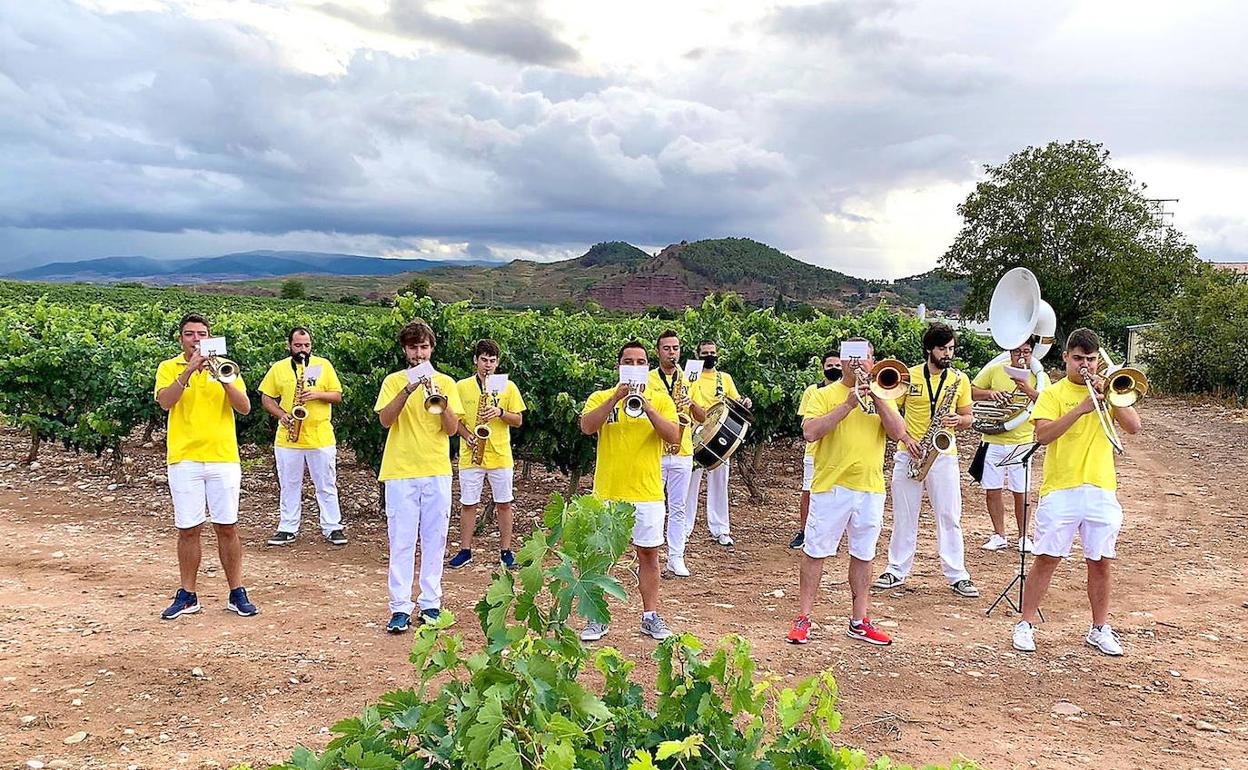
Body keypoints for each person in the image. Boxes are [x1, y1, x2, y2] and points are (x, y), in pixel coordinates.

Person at [1011, 329, 1141, 656]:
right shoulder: (1052, 394)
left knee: (1101, 561)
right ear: (1066, 358)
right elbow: (1043, 435)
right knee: (1047, 558)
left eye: (1092, 359)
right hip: (1061, 488)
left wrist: (1109, 394)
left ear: (1099, 360)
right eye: (1079, 359)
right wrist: (1080, 409)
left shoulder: (1107, 391)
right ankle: (1025, 624)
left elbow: (1134, 426)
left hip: (1100, 487)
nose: (1086, 365)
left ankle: (1099, 629)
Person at [788, 339, 908, 645]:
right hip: (831, 487)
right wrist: (849, 404)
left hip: (870, 488)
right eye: (852, 359)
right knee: (815, 552)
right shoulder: (823, 394)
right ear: (841, 362)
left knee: (864, 554)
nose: (858, 365)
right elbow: (810, 432)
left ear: (873, 361)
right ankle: (803, 617)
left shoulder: (885, 394)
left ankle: (859, 620)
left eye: (865, 359)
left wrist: (878, 398)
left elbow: (898, 433)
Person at [153, 312, 257, 620]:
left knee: (227, 526)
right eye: (189, 334)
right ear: (180, 338)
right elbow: (165, 402)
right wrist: (188, 372)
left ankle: (237, 592)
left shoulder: (226, 368)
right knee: (188, 529)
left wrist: (223, 379)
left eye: (201, 334)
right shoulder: (167, 367)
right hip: (184, 458)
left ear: (209, 337)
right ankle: (188, 595)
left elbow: (245, 407)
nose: (196, 339)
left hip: (223, 457)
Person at [579, 340, 682, 642]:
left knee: (648, 555)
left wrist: (646, 405)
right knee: (599, 557)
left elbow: (674, 436)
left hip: (647, 492)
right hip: (608, 493)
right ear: (619, 366)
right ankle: (597, 616)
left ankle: (650, 615)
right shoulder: (600, 396)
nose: (634, 367)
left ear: (647, 367)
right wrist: (616, 397)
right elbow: (586, 427)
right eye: (629, 361)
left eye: (640, 362)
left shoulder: (661, 399)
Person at [873, 322, 980, 598]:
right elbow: (892, 412)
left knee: (949, 515)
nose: (948, 354)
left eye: (951, 349)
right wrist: (907, 440)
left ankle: (958, 574)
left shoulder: (960, 379)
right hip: (909, 452)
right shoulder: (907, 376)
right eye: (943, 349)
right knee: (904, 516)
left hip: (944, 456)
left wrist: (960, 420)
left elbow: (969, 417)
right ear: (929, 349)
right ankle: (896, 569)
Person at [374, 320, 464, 633]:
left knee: (435, 539)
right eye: (413, 347)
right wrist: (409, 388)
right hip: (400, 471)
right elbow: (385, 420)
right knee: (401, 541)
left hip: (436, 469)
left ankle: (431, 604)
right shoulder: (392, 381)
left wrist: (438, 395)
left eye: (424, 346)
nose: (419, 352)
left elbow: (452, 429)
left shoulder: (447, 383)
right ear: (405, 350)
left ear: (432, 348)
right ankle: (399, 608)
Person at [259, 327, 347, 547]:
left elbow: (337, 395)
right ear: (289, 345)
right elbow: (266, 398)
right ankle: (287, 527)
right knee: (289, 484)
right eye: (298, 345)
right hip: (288, 437)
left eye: (306, 345)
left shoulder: (323, 365)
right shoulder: (278, 368)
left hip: (320, 436)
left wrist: (317, 394)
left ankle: (332, 526)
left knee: (326, 484)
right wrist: (282, 415)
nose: (303, 350)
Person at [448, 339, 527, 570]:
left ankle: (506, 551)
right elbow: (456, 420)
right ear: (475, 360)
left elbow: (519, 419)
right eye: (484, 360)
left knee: (504, 503)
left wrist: (500, 412)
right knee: (468, 504)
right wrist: (468, 436)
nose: (488, 365)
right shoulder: (461, 386)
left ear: (498, 362)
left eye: (492, 361)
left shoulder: (508, 387)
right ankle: (465, 550)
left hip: (500, 454)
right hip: (471, 453)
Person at [971, 338, 1048, 553]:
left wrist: (1028, 389)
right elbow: (969, 390)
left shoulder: (1039, 377)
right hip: (992, 439)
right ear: (1009, 353)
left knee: (1021, 491)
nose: (1021, 356)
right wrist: (990, 394)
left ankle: (1024, 536)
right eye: (1016, 352)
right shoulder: (996, 370)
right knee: (992, 490)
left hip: (1022, 442)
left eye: (1026, 351)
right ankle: (999, 535)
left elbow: (1048, 402)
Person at [648, 330, 705, 577]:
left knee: (679, 506)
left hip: (683, 450)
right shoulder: (649, 379)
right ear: (658, 352)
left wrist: (690, 403)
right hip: (656, 450)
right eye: (667, 349)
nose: (672, 353)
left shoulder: (689, 379)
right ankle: (653, 554)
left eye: (676, 348)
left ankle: (676, 557)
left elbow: (703, 416)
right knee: (655, 504)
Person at [685, 340, 752, 547]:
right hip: (693, 436)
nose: (709, 356)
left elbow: (736, 401)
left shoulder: (725, 378)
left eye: (712, 352)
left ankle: (721, 530)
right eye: (705, 353)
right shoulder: (690, 376)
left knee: (720, 484)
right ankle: (685, 529)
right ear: (697, 355)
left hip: (720, 436)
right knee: (689, 486)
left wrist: (745, 402)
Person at [791, 350, 842, 550]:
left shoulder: (849, 391)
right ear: (822, 368)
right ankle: (804, 531)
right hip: (814, 451)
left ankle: (831, 535)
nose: (834, 369)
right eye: (830, 366)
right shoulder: (813, 391)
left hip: (839, 452)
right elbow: (807, 422)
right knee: (808, 492)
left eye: (838, 365)